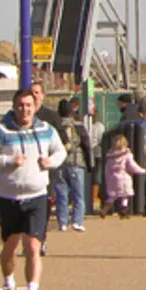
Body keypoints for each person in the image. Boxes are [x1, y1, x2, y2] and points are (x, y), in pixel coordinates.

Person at [0, 86, 65, 290]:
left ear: (35, 106)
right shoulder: (1, 131)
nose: (25, 110)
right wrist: (8, 161)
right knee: (10, 246)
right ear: (14, 107)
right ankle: (8, 284)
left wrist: (51, 161)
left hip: (36, 195)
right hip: (10, 197)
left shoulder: (46, 129)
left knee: (33, 245)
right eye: (21, 105)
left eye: (29, 105)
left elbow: (61, 151)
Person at [53, 99, 94, 231]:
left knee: (61, 193)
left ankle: (62, 222)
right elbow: (86, 145)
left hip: (59, 163)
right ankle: (77, 221)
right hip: (76, 162)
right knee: (78, 194)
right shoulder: (78, 126)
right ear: (72, 111)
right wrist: (90, 163)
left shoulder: (55, 127)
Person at [103, 133, 146, 217]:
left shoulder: (110, 156)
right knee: (124, 195)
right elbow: (132, 166)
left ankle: (105, 209)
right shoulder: (127, 155)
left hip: (112, 179)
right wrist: (142, 171)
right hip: (124, 178)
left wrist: (107, 178)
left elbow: (106, 169)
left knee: (112, 196)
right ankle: (123, 210)